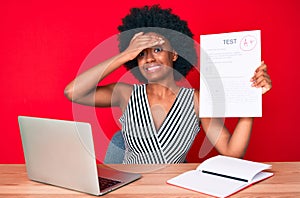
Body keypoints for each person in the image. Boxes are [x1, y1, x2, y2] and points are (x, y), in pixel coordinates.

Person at [64, 5, 272, 164]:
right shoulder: (125, 94)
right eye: (141, 53)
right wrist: (125, 54)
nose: (149, 59)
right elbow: (72, 91)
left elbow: (232, 152)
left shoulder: (197, 100)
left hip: (172, 189)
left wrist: (249, 99)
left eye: (157, 49)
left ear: (174, 54)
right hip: (128, 190)